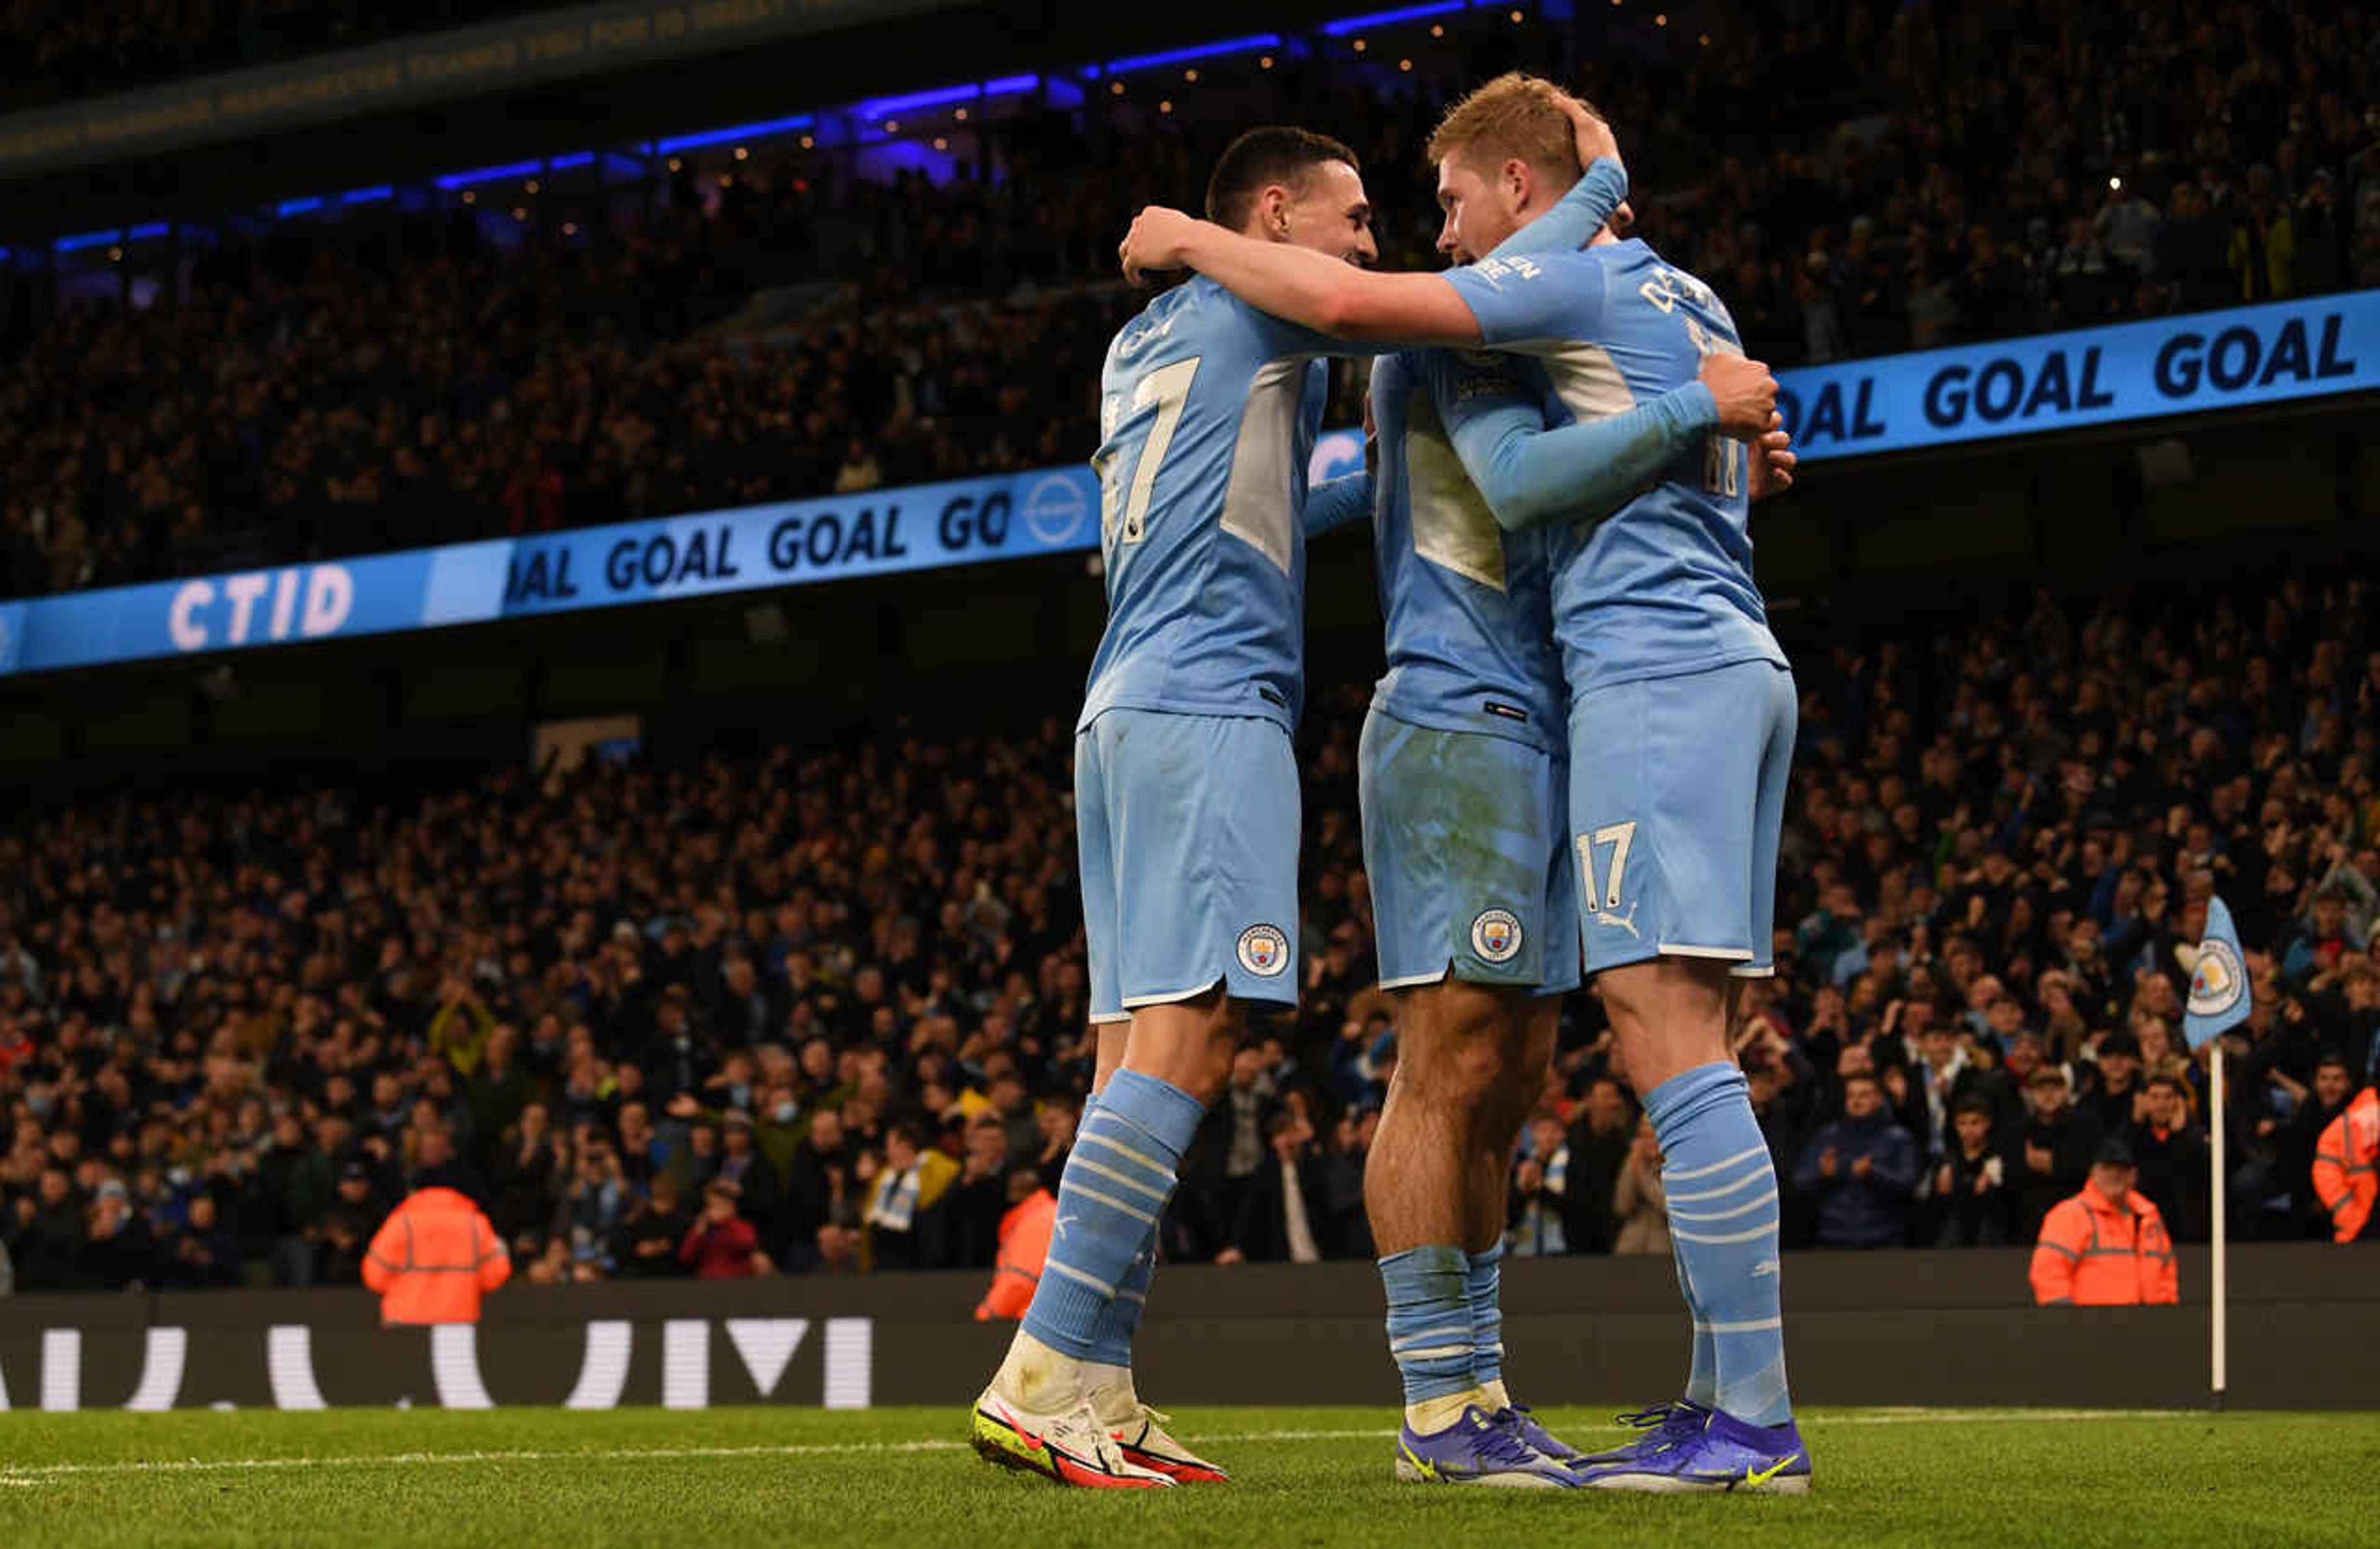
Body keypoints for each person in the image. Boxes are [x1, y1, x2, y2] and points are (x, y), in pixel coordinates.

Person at [1121, 76, 1794, 1491]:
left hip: (1564, 725)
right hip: (1455, 726)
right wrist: (1695, 409)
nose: (1423, 240)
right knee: (1450, 1066)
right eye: (1397, 215)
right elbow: (1484, 475)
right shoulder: (1472, 328)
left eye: (1437, 205)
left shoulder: (1548, 317)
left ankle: (1487, 1388)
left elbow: (1378, 479)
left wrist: (1718, 438)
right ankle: (1442, 1401)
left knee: (1513, 1074)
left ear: (1513, 190)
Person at [972, 122, 1388, 1491]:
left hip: (1122, 710)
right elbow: (1354, 307)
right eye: (1355, 218)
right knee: (1196, 1037)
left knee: (1129, 1057)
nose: (1370, 247)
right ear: (1274, 215)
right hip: (1211, 705)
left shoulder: (1149, 342)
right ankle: (1037, 1371)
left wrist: (1387, 494)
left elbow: (1238, 502)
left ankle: (1096, 1380)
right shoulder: (1266, 297)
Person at [2028, 1141, 2179, 1305]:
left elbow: (2167, 1275)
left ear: (2133, 1176)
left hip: (2151, 1325)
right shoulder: (2070, 1215)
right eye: (2107, 1169)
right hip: (2092, 1326)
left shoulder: (2148, 1217)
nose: (2115, 1175)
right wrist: (2068, 1322)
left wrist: (2167, 1314)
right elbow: (2048, 1274)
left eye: (2122, 1169)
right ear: (2093, 1173)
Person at [1794, 1072, 1922, 1248]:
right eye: (1851, 1095)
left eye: (1864, 1095)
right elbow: (1800, 1181)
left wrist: (1873, 1174)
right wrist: (1824, 1175)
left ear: (1879, 1099)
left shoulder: (1899, 1139)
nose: (1856, 1101)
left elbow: (1909, 1185)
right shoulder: (1827, 1137)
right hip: (1834, 1238)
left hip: (1884, 1239)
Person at [361, 1180, 510, 1325]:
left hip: (404, 1320)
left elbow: (374, 1276)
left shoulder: (400, 1223)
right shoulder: (476, 1224)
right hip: (459, 1321)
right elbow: (495, 1275)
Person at [976, 1168, 1056, 1322]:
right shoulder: (1047, 1214)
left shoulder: (1036, 1221)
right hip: (1044, 1319)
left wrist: (986, 1313)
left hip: (1034, 1324)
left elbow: (1019, 1280)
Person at [2311, 1081, 2380, 1243]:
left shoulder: (2340, 1128)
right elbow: (2326, 1176)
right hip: (2360, 1235)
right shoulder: (2342, 1129)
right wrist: (2355, 1221)